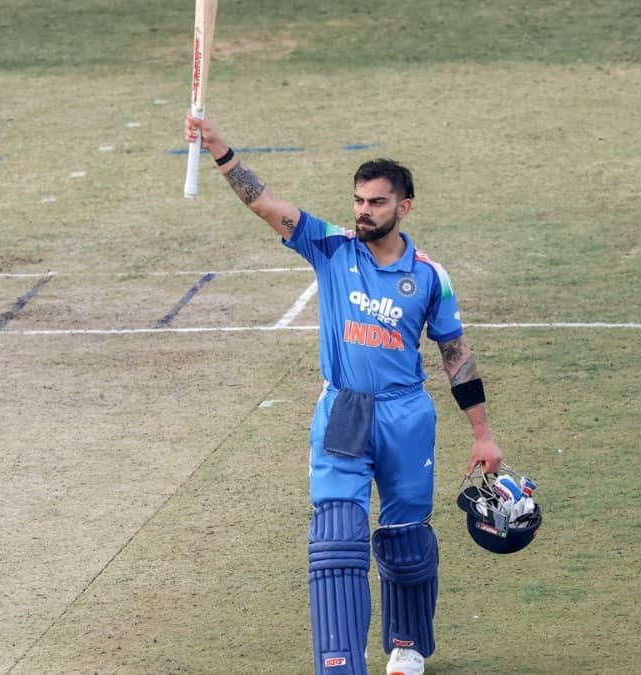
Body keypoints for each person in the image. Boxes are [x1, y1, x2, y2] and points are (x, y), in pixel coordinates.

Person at [185, 113, 505, 675]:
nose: (363, 210)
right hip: (345, 410)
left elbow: (456, 354)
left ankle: (405, 644)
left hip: (406, 413)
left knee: (406, 538)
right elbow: (264, 204)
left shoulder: (430, 277)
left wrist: (482, 434)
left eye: (377, 202)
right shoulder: (331, 246)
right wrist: (219, 148)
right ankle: (341, 660)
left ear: (403, 207)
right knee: (336, 536)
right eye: (359, 200)